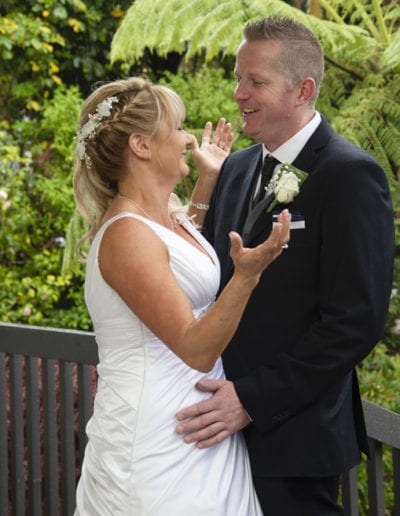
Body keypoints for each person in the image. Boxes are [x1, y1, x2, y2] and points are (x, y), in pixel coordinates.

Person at [176, 16, 395, 516]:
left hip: (295, 441)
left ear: (303, 89)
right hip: (215, 434)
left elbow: (353, 323)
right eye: (238, 78)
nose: (238, 94)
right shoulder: (233, 169)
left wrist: (249, 399)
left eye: (255, 81)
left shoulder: (351, 175)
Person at [72, 76, 291, 515]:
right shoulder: (126, 236)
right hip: (159, 437)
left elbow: (174, 247)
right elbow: (194, 346)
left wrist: (207, 180)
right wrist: (246, 276)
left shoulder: (159, 218)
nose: (188, 138)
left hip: (201, 425)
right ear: (141, 145)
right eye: (176, 128)